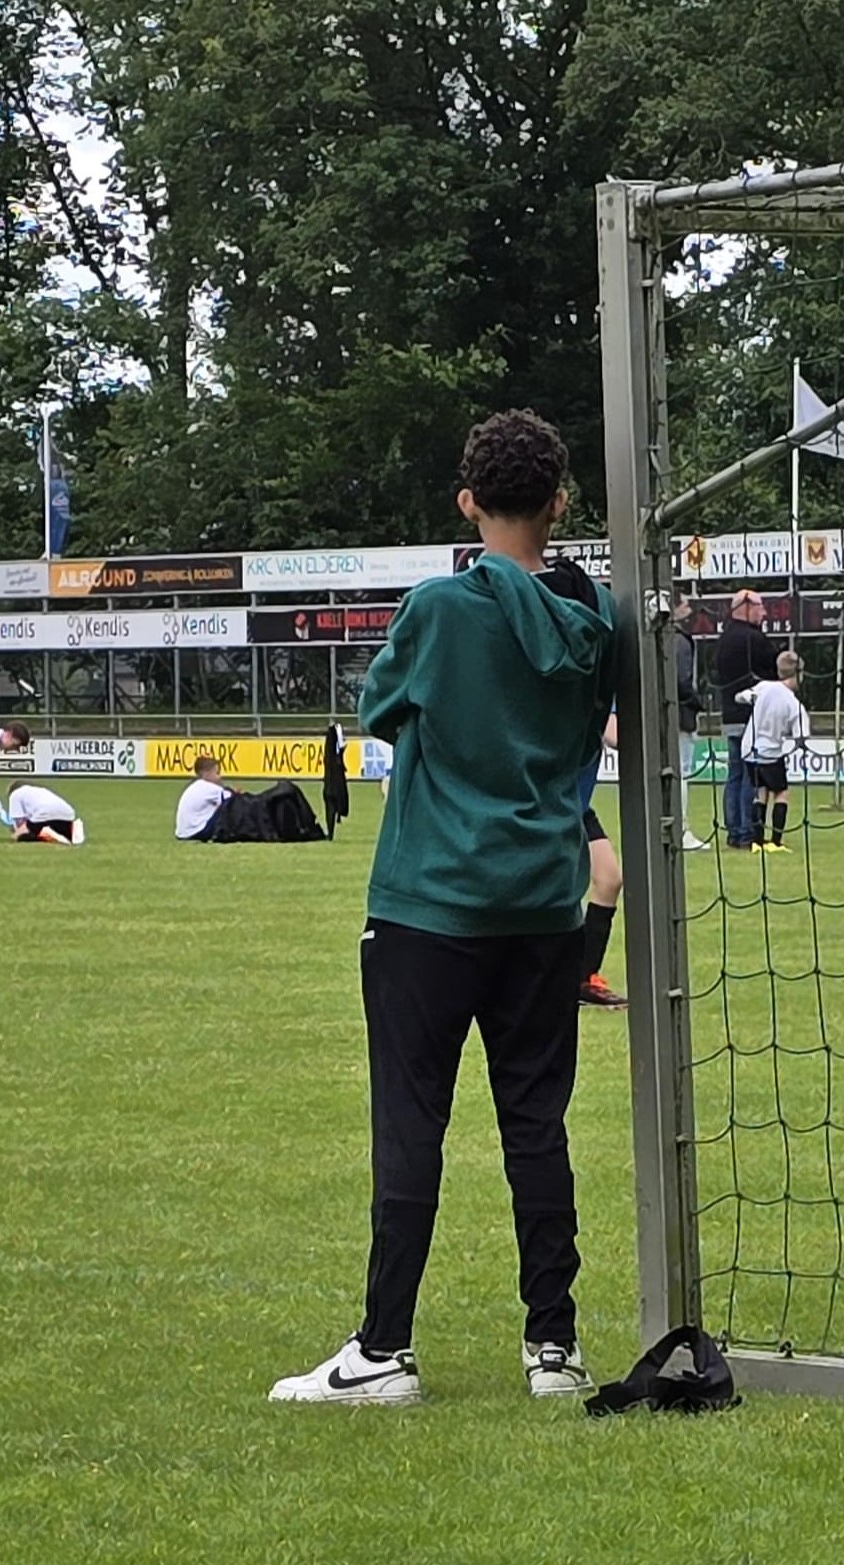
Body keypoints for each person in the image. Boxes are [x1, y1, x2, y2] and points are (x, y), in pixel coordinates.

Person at [271, 409, 621, 1407]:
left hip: (430, 904)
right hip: (544, 909)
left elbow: (383, 707)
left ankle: (384, 1351)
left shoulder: (437, 608)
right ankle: (554, 1352)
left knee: (411, 1125)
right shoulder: (595, 619)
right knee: (537, 1128)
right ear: (559, 503)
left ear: (468, 501)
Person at [714, 590, 785, 849]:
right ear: (745, 607)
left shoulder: (723, 639)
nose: (764, 612)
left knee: (734, 775)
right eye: (760, 607)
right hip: (753, 717)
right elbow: (775, 670)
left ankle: (733, 831)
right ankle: (746, 833)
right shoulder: (754, 639)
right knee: (750, 776)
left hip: (730, 715)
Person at [570, 711, 624, 1009]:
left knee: (608, 880)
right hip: (553, 802)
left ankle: (584, 979)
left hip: (577, 806)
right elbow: (615, 732)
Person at [734, 652, 812, 850]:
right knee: (781, 793)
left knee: (760, 792)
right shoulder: (793, 703)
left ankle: (757, 842)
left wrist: (753, 701)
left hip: (749, 750)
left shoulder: (763, 687)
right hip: (771, 752)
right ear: (798, 673)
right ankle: (776, 841)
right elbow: (802, 735)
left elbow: (740, 697)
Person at [669, 597, 710, 851]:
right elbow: (682, 681)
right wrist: (698, 702)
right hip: (680, 716)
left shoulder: (654, 638)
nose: (690, 610)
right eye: (684, 605)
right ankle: (681, 830)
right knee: (682, 773)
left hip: (659, 716)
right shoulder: (680, 640)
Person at [4, 782, 85, 845]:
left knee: (19, 835)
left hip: (44, 814)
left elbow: (18, 821)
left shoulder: (15, 794)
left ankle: (45, 835)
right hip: (68, 816)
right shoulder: (40, 790)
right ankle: (69, 832)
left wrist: (16, 832)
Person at [175, 755, 234, 841]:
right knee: (230, 805)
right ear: (207, 774)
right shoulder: (207, 787)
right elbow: (232, 798)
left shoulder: (195, 786)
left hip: (182, 833)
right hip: (196, 832)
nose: (220, 777)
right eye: (217, 773)